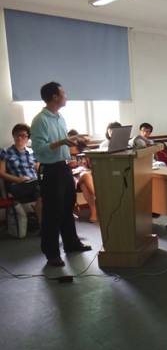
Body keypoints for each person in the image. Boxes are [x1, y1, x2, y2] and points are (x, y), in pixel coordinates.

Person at [30, 81, 91, 267]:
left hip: (64, 167)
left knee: (67, 208)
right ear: (55, 97)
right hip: (50, 169)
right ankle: (51, 254)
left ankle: (71, 244)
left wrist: (75, 141)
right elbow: (39, 149)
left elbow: (63, 142)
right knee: (52, 213)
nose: (66, 96)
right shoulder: (40, 120)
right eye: (63, 93)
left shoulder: (59, 117)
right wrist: (63, 141)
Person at [0, 123, 42, 230]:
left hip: (34, 184)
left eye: (23, 135)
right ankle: (44, 224)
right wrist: (18, 179)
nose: (19, 138)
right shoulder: (5, 152)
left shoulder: (32, 152)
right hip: (17, 186)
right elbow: (1, 173)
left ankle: (42, 223)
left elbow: (38, 170)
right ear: (13, 135)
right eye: (17, 135)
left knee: (46, 187)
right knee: (42, 189)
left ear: (28, 138)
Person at [67, 129, 97, 223]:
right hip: (72, 176)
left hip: (85, 175)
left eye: (74, 140)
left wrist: (89, 161)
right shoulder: (64, 152)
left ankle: (94, 212)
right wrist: (68, 165)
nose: (73, 142)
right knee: (86, 175)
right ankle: (99, 198)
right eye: (71, 140)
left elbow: (92, 165)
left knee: (84, 185)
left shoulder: (84, 150)